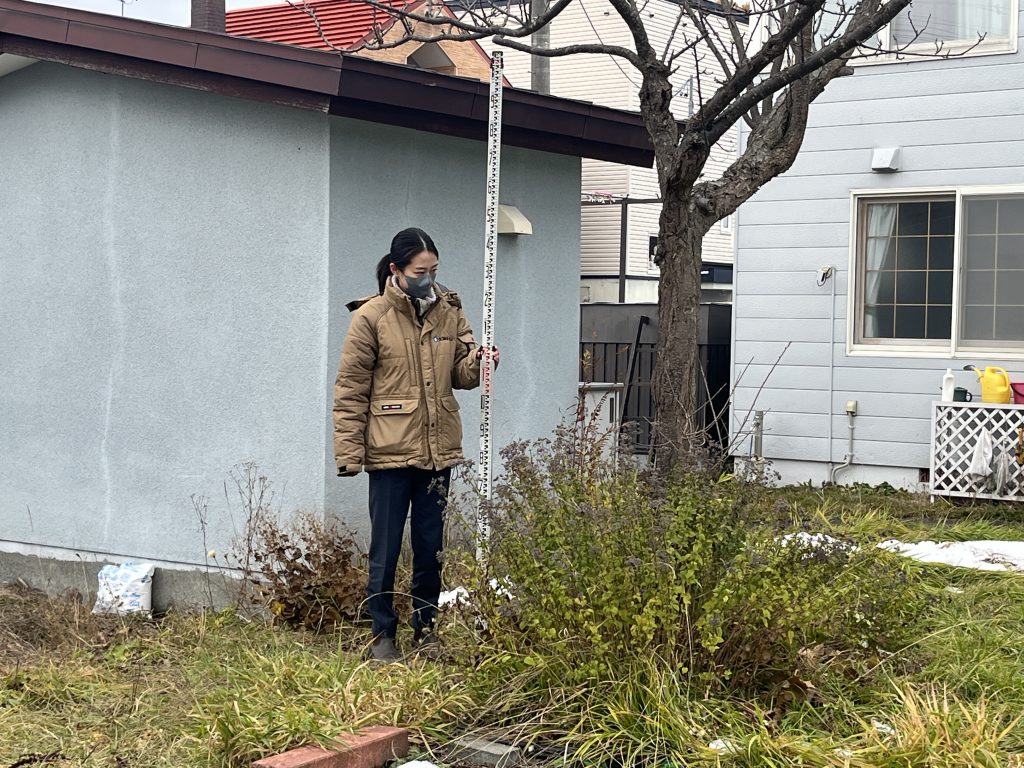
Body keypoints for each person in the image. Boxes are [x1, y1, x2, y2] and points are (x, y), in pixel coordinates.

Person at [333, 228, 499, 663]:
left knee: (430, 548)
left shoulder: (450, 311)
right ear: (396, 270)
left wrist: (479, 362)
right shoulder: (370, 317)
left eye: (434, 270)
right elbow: (350, 390)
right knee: (386, 548)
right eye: (419, 272)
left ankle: (427, 630)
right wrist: (349, 455)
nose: (428, 279)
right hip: (388, 452)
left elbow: (461, 376)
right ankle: (382, 635)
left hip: (437, 449)